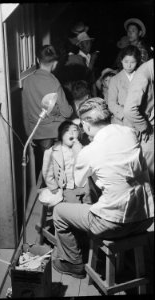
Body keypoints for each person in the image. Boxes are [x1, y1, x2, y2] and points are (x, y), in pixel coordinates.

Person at [52, 98, 154, 278]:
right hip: (146, 218)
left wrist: (77, 144)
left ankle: (73, 263)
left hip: (112, 225)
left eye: (83, 126)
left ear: (86, 125)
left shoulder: (89, 151)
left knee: (59, 212)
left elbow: (78, 181)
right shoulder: (129, 132)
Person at [22, 45, 73, 180]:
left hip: (36, 133)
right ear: (55, 63)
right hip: (54, 132)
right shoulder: (54, 83)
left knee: (44, 172)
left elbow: (25, 110)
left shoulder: (27, 81)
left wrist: (29, 134)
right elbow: (67, 113)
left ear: (38, 60)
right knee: (58, 171)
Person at [42, 120, 97, 204]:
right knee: (73, 205)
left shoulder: (82, 148)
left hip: (83, 184)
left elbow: (87, 166)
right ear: (61, 135)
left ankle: (87, 210)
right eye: (67, 130)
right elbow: (47, 172)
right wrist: (53, 187)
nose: (71, 133)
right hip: (67, 186)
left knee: (90, 200)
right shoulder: (52, 152)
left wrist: (79, 150)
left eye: (74, 130)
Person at [124, 58, 154, 192]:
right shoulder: (143, 75)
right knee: (149, 178)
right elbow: (129, 110)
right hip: (146, 133)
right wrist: (145, 128)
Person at [108, 45, 141, 125]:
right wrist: (124, 116)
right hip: (121, 121)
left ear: (137, 62)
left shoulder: (142, 78)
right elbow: (111, 103)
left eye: (132, 62)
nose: (129, 65)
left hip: (140, 119)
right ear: (121, 60)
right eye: (126, 62)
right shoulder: (115, 79)